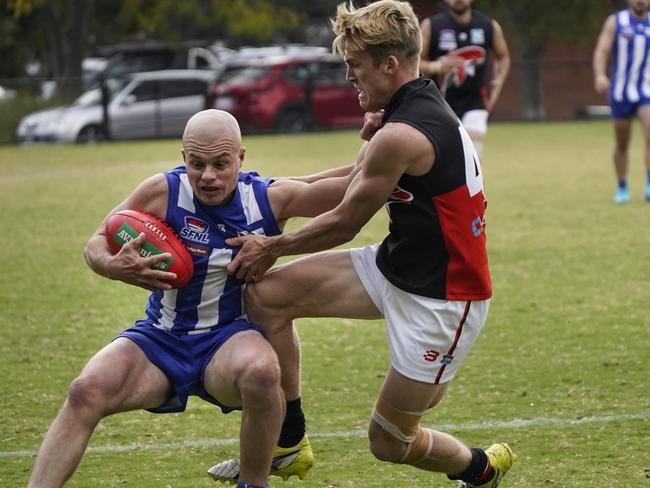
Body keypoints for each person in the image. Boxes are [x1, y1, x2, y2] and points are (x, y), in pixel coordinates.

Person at [210, 1, 517, 487]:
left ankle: (479, 470)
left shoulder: (402, 132)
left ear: (389, 64)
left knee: (390, 441)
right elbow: (351, 179)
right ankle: (290, 442)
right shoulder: (403, 113)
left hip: (443, 300)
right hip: (395, 268)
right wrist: (271, 192)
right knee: (265, 298)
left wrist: (271, 245)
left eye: (355, 65)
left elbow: (345, 221)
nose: (349, 76)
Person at [27, 109, 358, 488]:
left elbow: (348, 187)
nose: (209, 176)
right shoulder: (163, 190)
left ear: (241, 158)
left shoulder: (267, 199)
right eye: (197, 163)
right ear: (184, 157)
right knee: (85, 391)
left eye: (221, 163)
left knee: (263, 371)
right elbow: (98, 239)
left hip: (228, 340)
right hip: (160, 337)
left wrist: (387, 144)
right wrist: (112, 265)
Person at [419, 0, 510, 158]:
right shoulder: (431, 25)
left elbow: (503, 57)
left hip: (475, 100)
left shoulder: (488, 25)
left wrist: (499, 81)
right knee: (444, 154)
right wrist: (437, 67)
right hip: (440, 100)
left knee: (474, 151)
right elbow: (413, 61)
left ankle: (474, 183)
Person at [593, 0, 650, 204]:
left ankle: (649, 184)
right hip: (621, 93)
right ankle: (622, 186)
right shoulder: (616, 21)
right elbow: (602, 50)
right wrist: (600, 74)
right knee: (622, 143)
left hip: (646, 90)